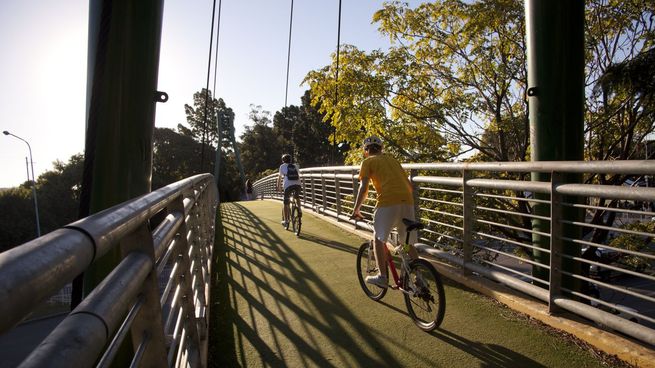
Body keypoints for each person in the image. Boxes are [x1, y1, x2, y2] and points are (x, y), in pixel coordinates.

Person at [351, 136, 419, 288]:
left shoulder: (367, 162)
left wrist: (356, 209)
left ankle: (382, 276)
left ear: (365, 151)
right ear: (381, 148)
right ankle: (419, 276)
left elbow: (364, 189)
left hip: (387, 202)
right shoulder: (393, 160)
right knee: (407, 243)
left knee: (378, 238)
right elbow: (409, 186)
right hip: (407, 202)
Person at [277, 153, 302, 227]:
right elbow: (299, 174)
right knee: (297, 197)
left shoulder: (282, 166)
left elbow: (280, 177)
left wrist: (279, 187)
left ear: (283, 160)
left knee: (286, 203)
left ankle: (286, 221)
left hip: (288, 186)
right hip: (298, 185)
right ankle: (299, 210)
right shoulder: (295, 166)